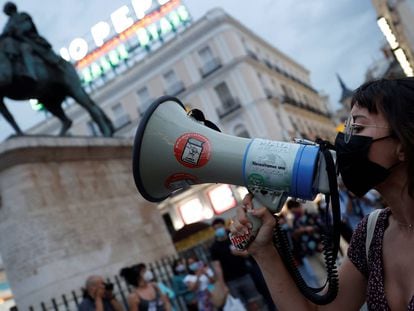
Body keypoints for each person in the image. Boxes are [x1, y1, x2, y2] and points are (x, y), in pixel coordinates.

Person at [230, 77, 414, 310]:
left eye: (357, 128)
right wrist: (263, 250)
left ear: (403, 144)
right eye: (346, 129)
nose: (345, 141)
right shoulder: (372, 234)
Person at [210, 218, 262, 310]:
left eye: (220, 227)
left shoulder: (234, 238)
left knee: (254, 302)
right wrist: (223, 285)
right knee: (239, 306)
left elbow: (247, 253)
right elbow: (217, 267)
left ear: (224, 226)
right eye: (216, 229)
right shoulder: (214, 247)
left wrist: (239, 253)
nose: (219, 230)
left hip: (244, 274)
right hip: (230, 281)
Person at [1, 2, 61, 81]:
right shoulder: (8, 24)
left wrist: (18, 31)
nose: (9, 11)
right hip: (15, 43)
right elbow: (4, 34)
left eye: (9, 9)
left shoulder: (22, 15)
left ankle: (31, 74)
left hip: (29, 40)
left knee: (25, 48)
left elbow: (28, 25)